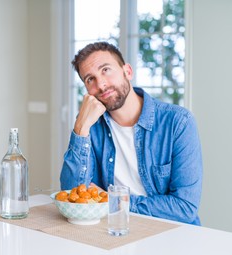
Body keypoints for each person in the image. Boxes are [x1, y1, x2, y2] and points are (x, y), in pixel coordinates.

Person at [60, 41, 202, 225]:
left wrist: (116, 200)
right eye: (90, 79)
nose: (101, 85)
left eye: (106, 70)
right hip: (113, 229)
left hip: (171, 233)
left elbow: (185, 208)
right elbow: (74, 197)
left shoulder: (178, 122)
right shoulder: (90, 124)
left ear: (127, 71)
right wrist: (80, 129)